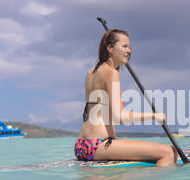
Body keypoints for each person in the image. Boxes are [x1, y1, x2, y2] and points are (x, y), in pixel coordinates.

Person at [74, 29, 178, 167]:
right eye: (124, 46)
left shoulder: (91, 72)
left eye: (129, 46)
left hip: (81, 145)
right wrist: (154, 116)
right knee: (169, 153)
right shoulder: (111, 72)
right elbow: (119, 117)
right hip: (98, 144)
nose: (129, 51)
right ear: (110, 48)